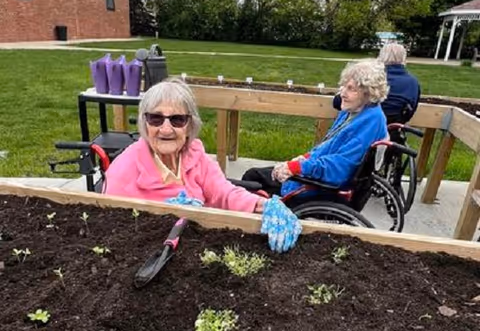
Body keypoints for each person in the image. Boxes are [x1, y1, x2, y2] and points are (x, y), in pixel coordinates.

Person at [104, 78, 301, 252]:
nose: (165, 129)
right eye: (155, 118)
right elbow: (113, 233)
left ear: (190, 126)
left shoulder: (195, 155)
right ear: (144, 123)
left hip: (198, 249)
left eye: (177, 119)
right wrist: (162, 219)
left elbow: (224, 193)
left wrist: (264, 206)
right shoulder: (123, 171)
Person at [242, 59, 388, 197]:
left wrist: (298, 168)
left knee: (252, 179)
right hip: (318, 175)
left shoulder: (369, 122)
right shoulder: (355, 111)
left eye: (351, 89)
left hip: (322, 187)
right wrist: (303, 159)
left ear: (368, 93)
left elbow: (339, 167)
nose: (342, 93)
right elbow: (329, 145)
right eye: (344, 86)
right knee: (256, 176)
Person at [333, 43, 421, 125]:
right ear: (403, 58)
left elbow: (338, 102)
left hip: (362, 125)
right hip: (395, 129)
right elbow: (411, 110)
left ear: (381, 56)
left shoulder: (372, 77)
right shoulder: (413, 82)